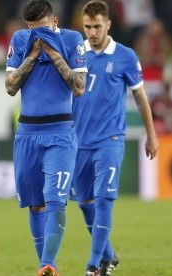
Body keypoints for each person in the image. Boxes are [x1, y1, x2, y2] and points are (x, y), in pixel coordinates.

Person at [70, 1, 158, 275]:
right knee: (85, 203)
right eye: (87, 27)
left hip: (111, 139)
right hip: (79, 141)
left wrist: (151, 135)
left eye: (97, 26)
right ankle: (109, 254)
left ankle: (95, 264)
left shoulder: (126, 56)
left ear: (108, 24)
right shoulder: (76, 53)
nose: (92, 32)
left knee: (104, 199)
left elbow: (141, 98)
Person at [5, 0, 87, 275]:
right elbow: (10, 87)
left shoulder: (73, 39)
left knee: (55, 200)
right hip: (27, 133)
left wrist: (52, 52)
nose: (36, 36)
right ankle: (47, 267)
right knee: (36, 203)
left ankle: (46, 263)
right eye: (32, 30)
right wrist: (31, 55)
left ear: (54, 22)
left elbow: (78, 87)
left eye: (42, 30)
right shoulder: (20, 39)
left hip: (60, 133)